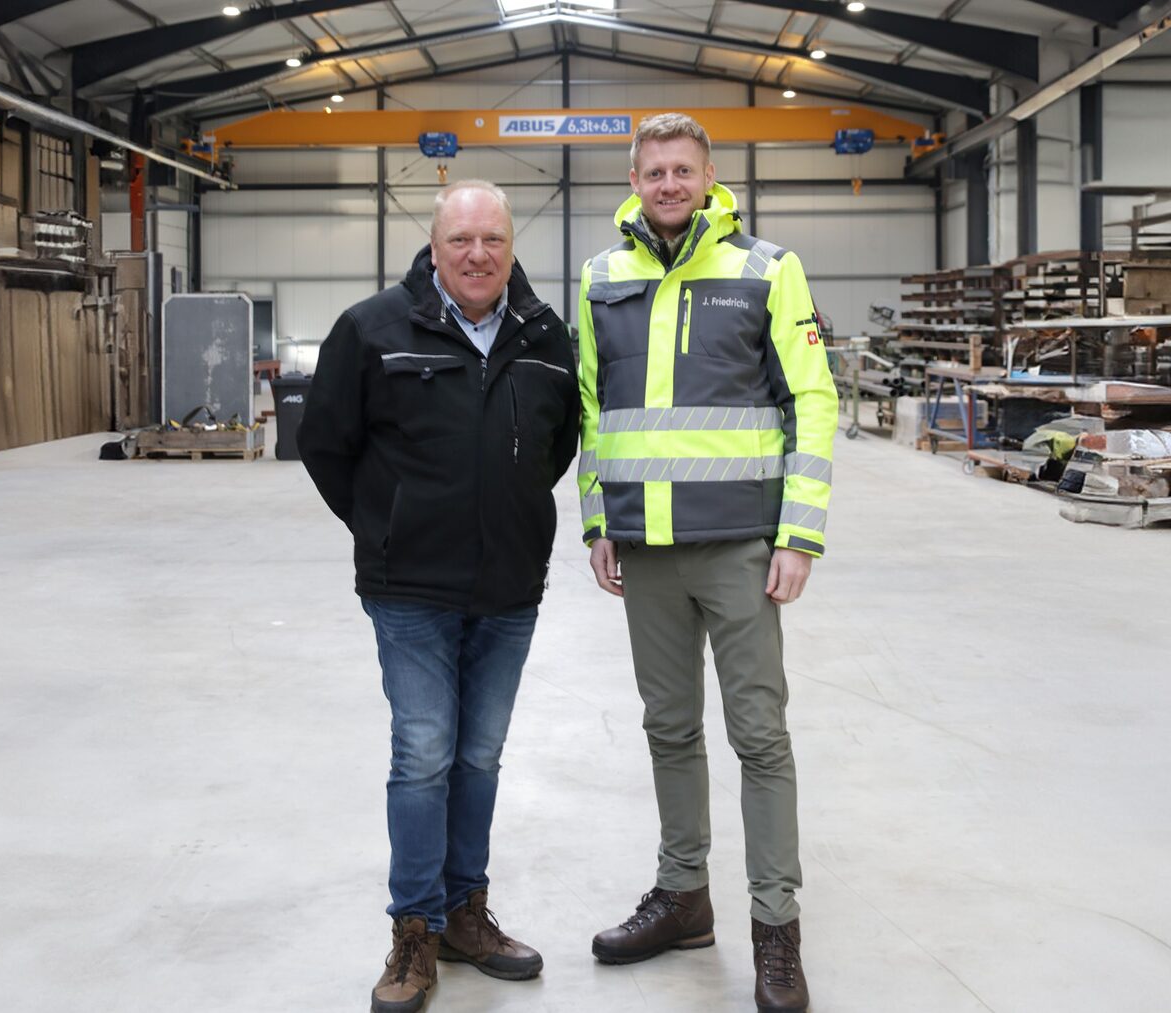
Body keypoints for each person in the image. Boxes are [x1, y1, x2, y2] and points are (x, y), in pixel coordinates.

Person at [575, 113, 837, 1013]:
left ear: (710, 176)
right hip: (645, 547)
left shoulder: (766, 269)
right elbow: (592, 409)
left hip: (740, 547)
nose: (669, 184)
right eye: (654, 170)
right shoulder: (602, 277)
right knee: (669, 729)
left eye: (683, 169)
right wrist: (597, 520)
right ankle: (684, 896)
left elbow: (813, 400)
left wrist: (798, 534)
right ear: (634, 179)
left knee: (759, 735)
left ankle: (775, 926)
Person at [297, 179, 580, 1013]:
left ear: (512, 246)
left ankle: (465, 913)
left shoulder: (546, 334)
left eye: (493, 239)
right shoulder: (373, 328)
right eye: (461, 239)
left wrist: (510, 511)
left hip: (509, 586)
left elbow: (558, 443)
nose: (478, 254)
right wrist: (385, 525)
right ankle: (414, 930)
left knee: (479, 756)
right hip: (410, 588)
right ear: (434, 244)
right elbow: (325, 443)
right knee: (423, 755)